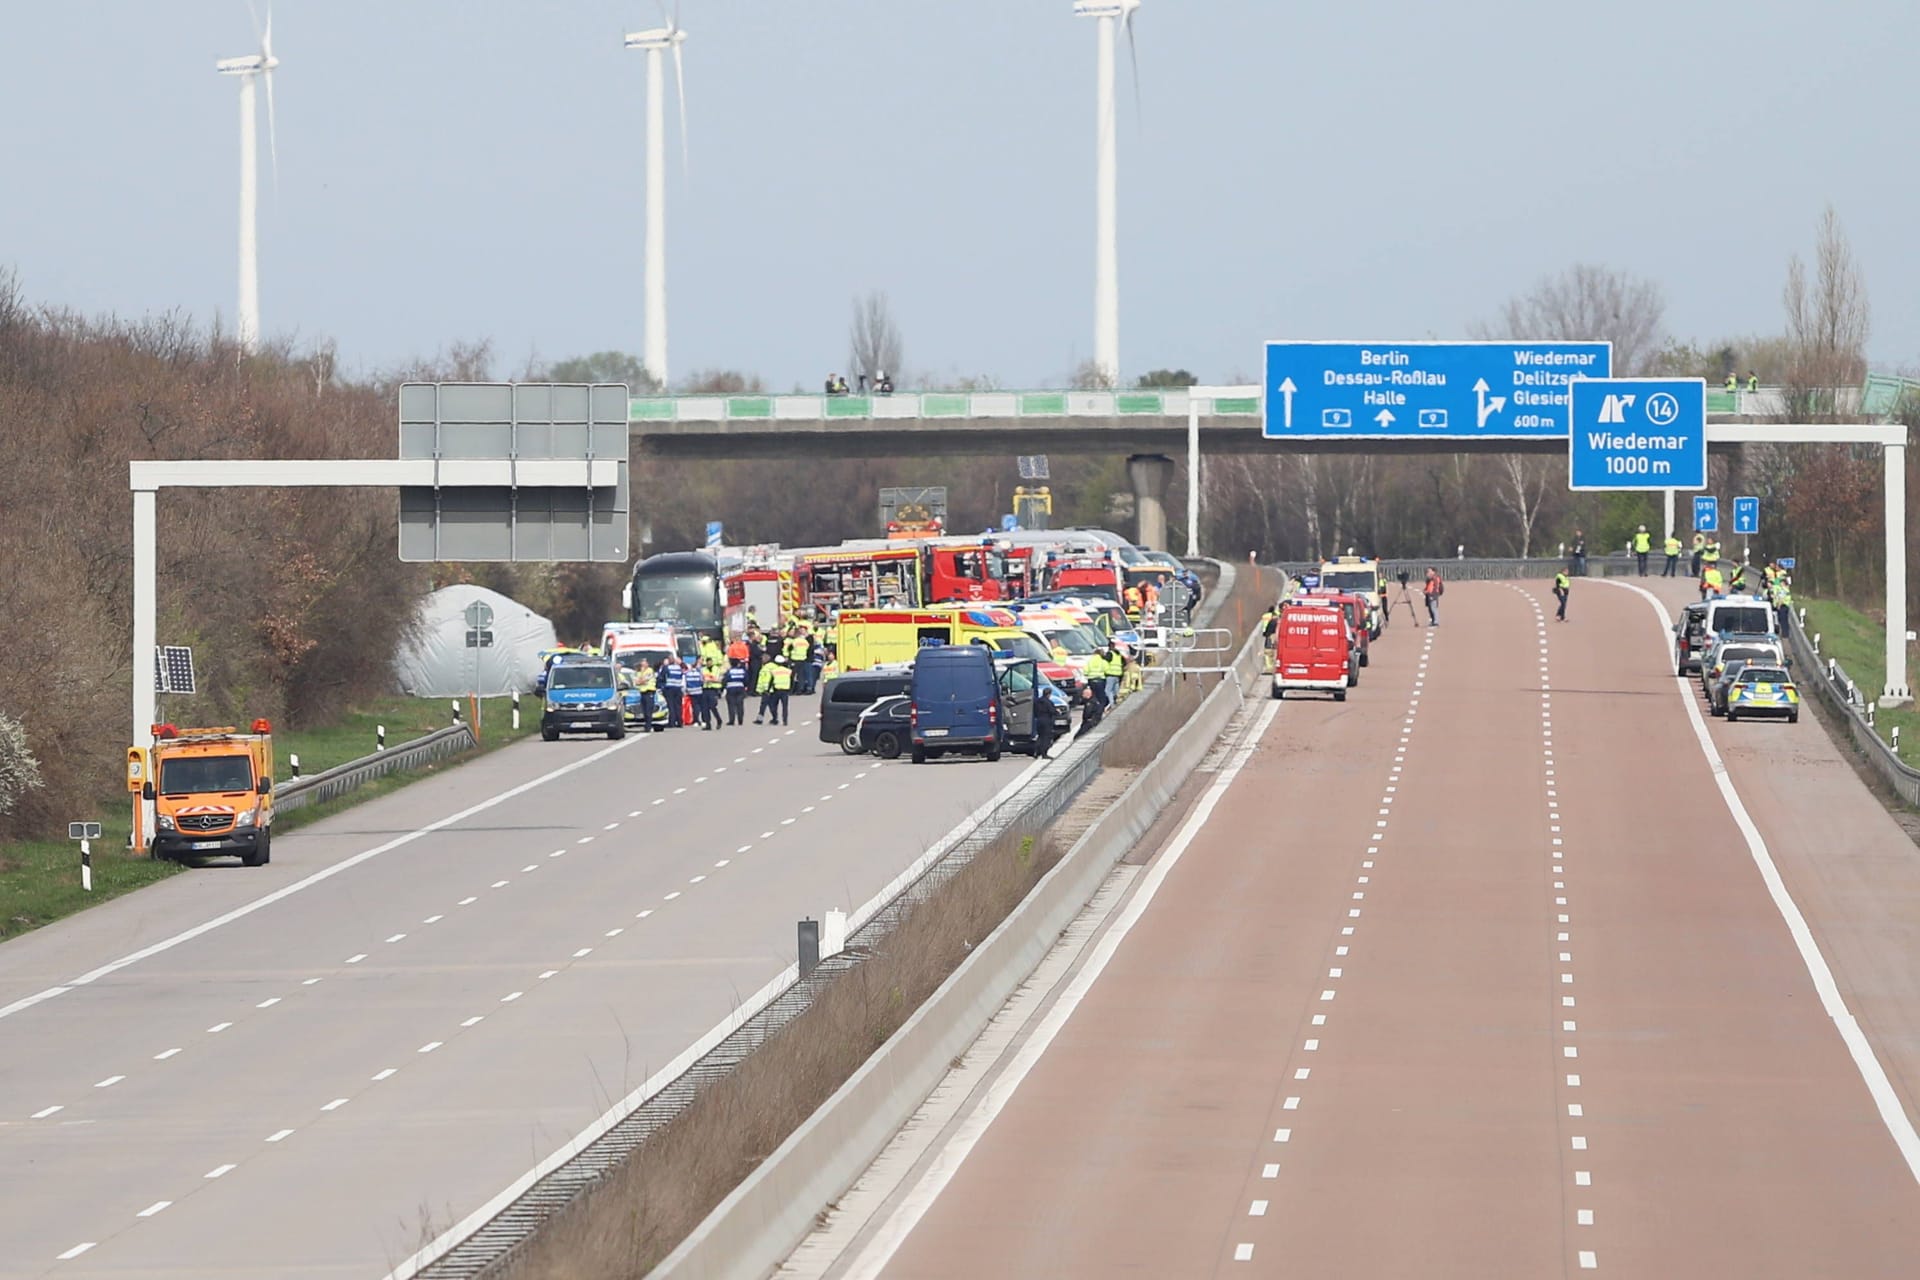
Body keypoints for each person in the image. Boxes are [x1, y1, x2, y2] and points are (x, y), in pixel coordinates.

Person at [634, 659, 663, 733]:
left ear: (647, 664)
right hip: (642, 693)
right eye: (642, 664)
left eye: (644, 664)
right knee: (644, 711)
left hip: (649, 692)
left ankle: (649, 727)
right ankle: (646, 726)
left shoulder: (650, 671)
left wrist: (640, 681)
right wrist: (640, 681)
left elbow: (643, 680)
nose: (642, 665)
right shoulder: (639, 672)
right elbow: (636, 682)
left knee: (648, 711)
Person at [661, 653, 686, 728]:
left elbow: (662, 677)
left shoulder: (667, 667)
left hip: (670, 688)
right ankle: (679, 722)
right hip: (678, 688)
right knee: (678, 706)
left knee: (671, 706)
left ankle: (672, 722)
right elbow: (682, 674)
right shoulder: (679, 668)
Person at [724, 657, 749, 726]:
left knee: (731, 705)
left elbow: (725, 680)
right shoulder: (742, 671)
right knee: (740, 704)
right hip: (740, 688)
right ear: (738, 664)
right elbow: (746, 680)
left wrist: (724, 687)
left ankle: (731, 721)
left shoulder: (729, 671)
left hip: (730, 689)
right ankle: (740, 720)